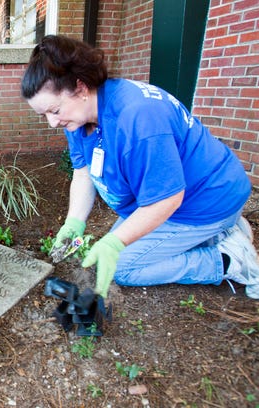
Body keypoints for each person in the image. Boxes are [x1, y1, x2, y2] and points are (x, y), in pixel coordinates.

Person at [21, 35, 259, 299]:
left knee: (124, 267)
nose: (51, 123)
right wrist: (74, 223)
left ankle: (230, 258)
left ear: (81, 87)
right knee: (114, 251)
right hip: (177, 200)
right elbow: (84, 171)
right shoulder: (78, 118)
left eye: (53, 110)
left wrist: (115, 242)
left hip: (205, 201)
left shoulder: (138, 118)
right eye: (43, 114)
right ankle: (225, 230)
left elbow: (167, 199)